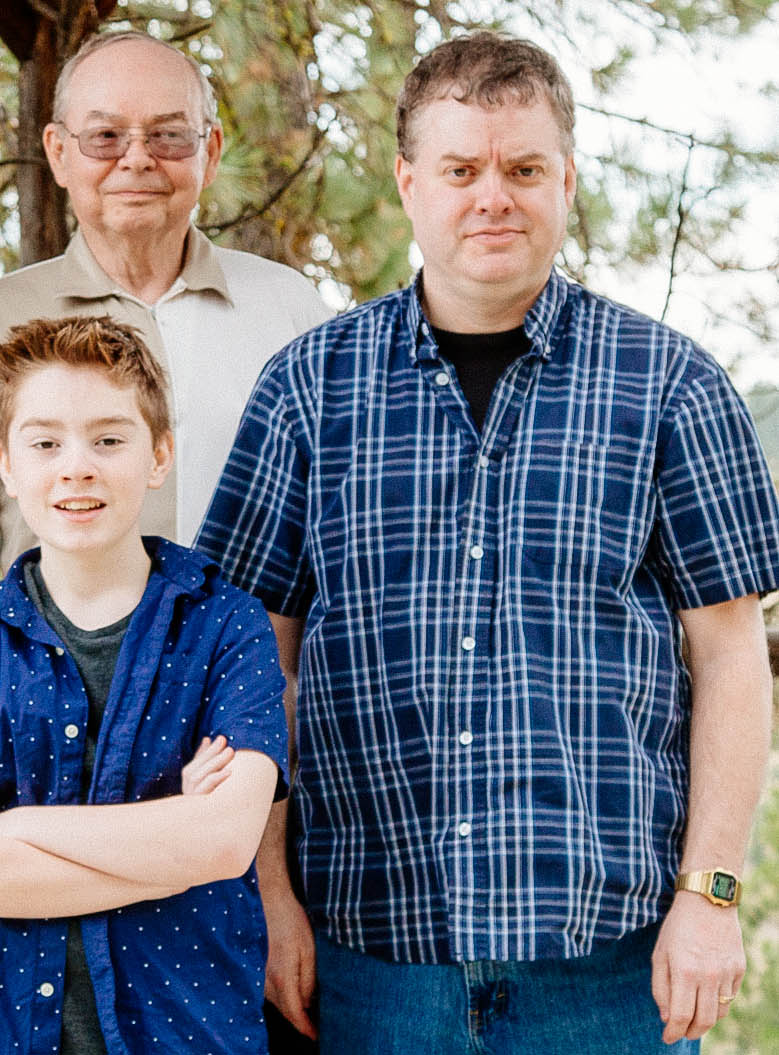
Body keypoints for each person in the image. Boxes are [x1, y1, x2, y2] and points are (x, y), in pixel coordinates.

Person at [195, 32, 779, 1053]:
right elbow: (254, 665)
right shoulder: (306, 390)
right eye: (462, 169)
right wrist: (269, 894)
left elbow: (732, 657)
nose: (492, 197)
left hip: (609, 967)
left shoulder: (671, 386)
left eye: (523, 169)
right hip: (368, 961)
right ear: (410, 181)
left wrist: (713, 892)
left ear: (568, 181)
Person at [0, 315, 287, 1054]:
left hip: (187, 1033)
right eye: (44, 443)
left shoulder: (227, 625)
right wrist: (171, 840)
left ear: (158, 454)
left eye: (108, 439)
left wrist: (14, 829)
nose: (76, 466)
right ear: (4, 462)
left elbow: (224, 842)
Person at [0, 29, 331, 634]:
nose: (136, 159)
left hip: (252, 711)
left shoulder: (292, 313)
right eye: (105, 136)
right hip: (43, 716)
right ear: (58, 152)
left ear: (211, 152)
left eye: (167, 134)